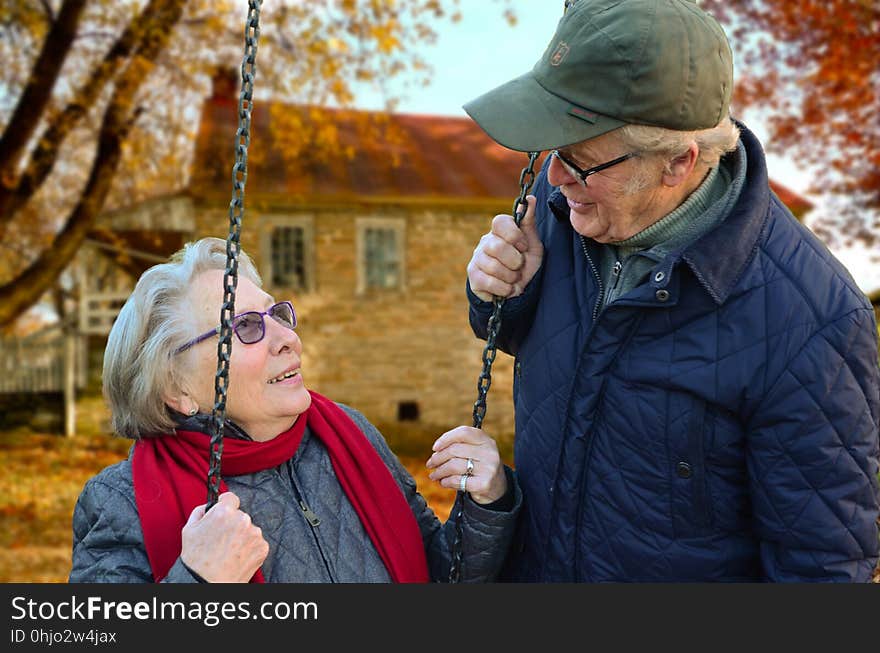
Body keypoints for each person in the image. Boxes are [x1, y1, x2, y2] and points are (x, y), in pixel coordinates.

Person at [463, 0, 879, 581]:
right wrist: (501, 292)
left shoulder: (813, 322)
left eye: (580, 162)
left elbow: (822, 568)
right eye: (552, 152)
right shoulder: (568, 205)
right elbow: (520, 336)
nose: (555, 178)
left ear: (678, 163)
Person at [70, 237, 520, 583]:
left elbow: (438, 575)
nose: (286, 337)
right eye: (245, 327)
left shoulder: (349, 436)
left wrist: (485, 503)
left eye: (277, 315)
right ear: (176, 388)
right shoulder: (121, 501)